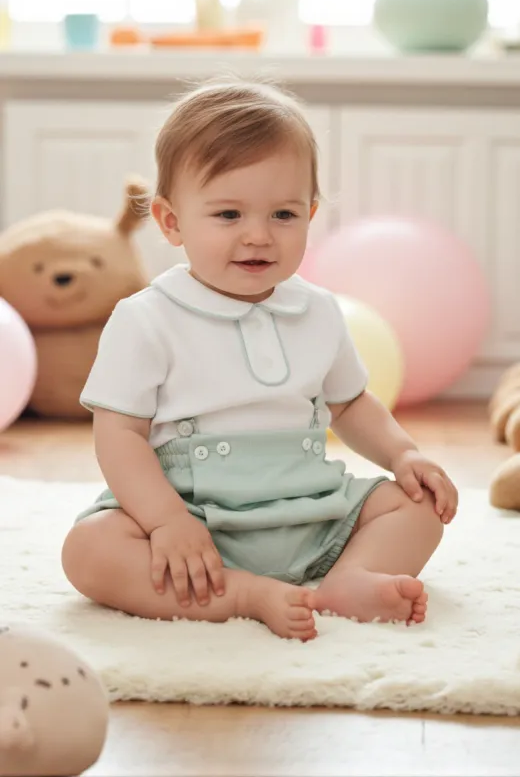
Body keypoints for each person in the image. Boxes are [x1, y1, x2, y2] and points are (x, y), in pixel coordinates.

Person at [61, 80, 457, 642]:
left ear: (310, 214)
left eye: (283, 215)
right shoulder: (146, 317)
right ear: (171, 222)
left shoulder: (317, 310)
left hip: (310, 510)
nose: (257, 236)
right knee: (90, 550)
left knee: (416, 508)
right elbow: (119, 434)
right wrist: (166, 521)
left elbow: (350, 404)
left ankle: (348, 578)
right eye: (227, 214)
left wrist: (403, 452)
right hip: (197, 520)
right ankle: (244, 593)